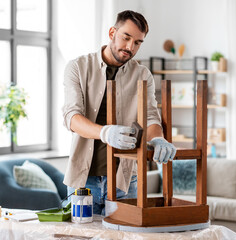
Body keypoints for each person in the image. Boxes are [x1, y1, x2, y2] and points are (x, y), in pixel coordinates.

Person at [62, 10, 176, 215]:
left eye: (138, 42)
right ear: (112, 32)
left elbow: (150, 115)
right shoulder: (78, 67)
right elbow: (72, 117)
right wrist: (105, 133)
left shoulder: (142, 75)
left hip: (126, 179)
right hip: (83, 179)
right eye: (126, 38)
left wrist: (158, 138)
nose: (130, 47)